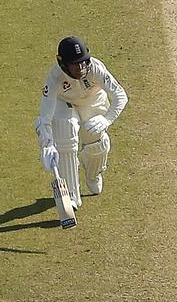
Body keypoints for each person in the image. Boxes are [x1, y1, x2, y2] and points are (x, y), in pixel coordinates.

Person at [33, 36, 128, 209]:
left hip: (93, 104)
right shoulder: (54, 77)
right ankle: (70, 196)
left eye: (83, 62)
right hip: (65, 104)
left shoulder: (95, 68)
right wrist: (47, 144)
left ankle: (93, 175)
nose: (81, 67)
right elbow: (44, 116)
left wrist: (106, 120)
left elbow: (120, 96)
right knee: (65, 130)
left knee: (96, 144)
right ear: (63, 64)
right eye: (75, 64)